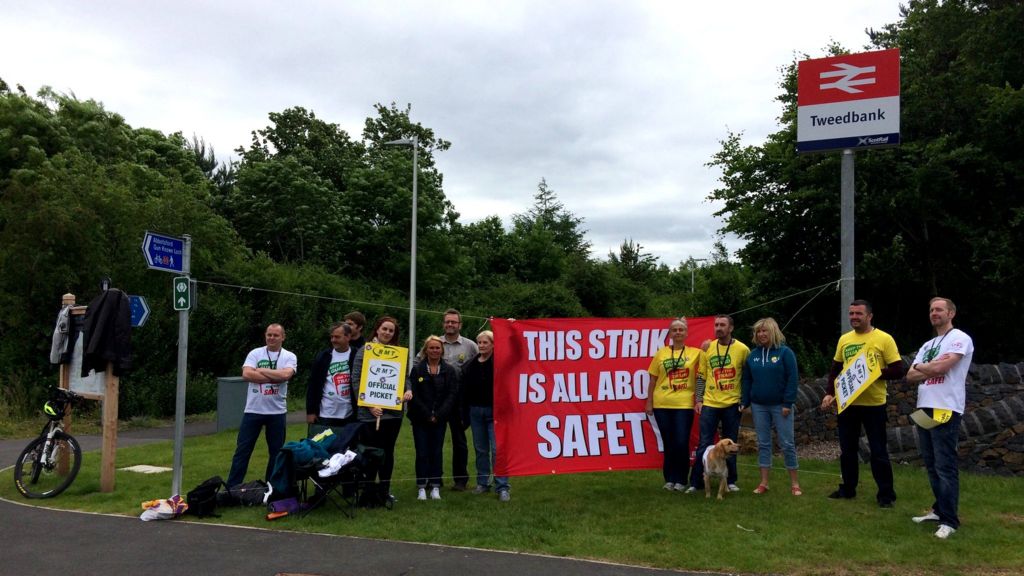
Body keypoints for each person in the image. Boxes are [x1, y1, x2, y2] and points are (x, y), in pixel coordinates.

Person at [821, 299, 906, 507]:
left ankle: (886, 495)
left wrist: (872, 373)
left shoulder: (884, 338)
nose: (854, 317)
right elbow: (835, 369)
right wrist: (829, 393)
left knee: (878, 451)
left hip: (874, 405)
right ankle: (848, 489)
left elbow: (898, 370)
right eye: (851, 313)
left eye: (858, 314)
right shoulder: (844, 339)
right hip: (848, 404)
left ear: (869, 316)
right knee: (847, 450)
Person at [905, 297, 974, 539]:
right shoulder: (928, 344)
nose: (934, 313)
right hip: (924, 407)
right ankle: (938, 510)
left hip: (946, 408)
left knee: (945, 465)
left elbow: (940, 369)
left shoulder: (960, 338)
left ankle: (949, 521)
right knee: (931, 463)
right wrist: (929, 366)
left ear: (951, 313)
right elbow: (910, 376)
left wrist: (926, 367)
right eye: (931, 310)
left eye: (939, 310)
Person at [227, 323, 298, 488]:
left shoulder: (289, 356)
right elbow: (246, 374)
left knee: (276, 452)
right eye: (269, 335)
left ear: (283, 337)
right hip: (253, 410)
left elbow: (286, 375)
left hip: (277, 412)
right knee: (243, 451)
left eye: (276, 335)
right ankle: (232, 487)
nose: (271, 338)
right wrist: (275, 377)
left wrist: (260, 370)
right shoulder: (255, 353)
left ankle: (271, 487)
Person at [352, 315, 412, 504]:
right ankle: (368, 492)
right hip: (369, 414)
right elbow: (356, 380)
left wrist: (408, 390)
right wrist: (369, 405)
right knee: (370, 453)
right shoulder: (365, 350)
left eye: (391, 330)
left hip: (392, 414)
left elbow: (404, 377)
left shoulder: (399, 352)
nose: (387, 332)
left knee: (388, 453)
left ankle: (384, 491)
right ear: (377, 329)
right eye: (384, 329)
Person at [740, 317, 801, 495]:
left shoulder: (785, 353)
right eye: (758, 331)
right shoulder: (753, 355)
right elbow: (747, 379)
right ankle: (764, 482)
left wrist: (788, 402)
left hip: (781, 406)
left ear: (773, 331)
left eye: (764, 330)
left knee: (787, 443)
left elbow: (793, 378)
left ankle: (795, 483)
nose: (761, 334)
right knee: (763, 443)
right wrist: (745, 401)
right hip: (759, 406)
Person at [688, 314, 749, 493]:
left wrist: (744, 400)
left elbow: (747, 377)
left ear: (731, 328)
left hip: (732, 403)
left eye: (723, 325)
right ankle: (696, 482)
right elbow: (701, 376)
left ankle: (730, 480)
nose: (719, 328)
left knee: (731, 444)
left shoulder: (742, 349)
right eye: (716, 325)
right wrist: (699, 399)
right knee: (704, 443)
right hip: (710, 403)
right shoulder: (707, 348)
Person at [646, 317, 705, 492]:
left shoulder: (695, 353)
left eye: (681, 329)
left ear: (686, 333)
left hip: (683, 404)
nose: (678, 332)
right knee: (668, 442)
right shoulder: (661, 353)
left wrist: (708, 344)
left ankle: (681, 479)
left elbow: (708, 358)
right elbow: (653, 379)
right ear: (670, 334)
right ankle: (669, 479)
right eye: (675, 330)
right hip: (661, 403)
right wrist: (649, 402)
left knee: (681, 442)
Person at [406, 335, 459, 500]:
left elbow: (452, 395)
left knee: (436, 451)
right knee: (422, 452)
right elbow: (414, 395)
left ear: (442, 350)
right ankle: (421, 486)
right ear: (425, 350)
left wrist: (438, 415)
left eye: (437, 348)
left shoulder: (449, 370)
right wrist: (427, 414)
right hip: (420, 418)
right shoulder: (417, 370)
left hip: (440, 419)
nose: (434, 350)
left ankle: (435, 486)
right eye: (431, 348)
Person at [464, 330, 511, 501]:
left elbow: (518, 354)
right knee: (481, 449)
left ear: (493, 345)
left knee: (497, 449)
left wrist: (511, 332)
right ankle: (482, 483)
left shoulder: (500, 362)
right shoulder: (470, 364)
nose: (482, 345)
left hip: (496, 412)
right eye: (480, 342)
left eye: (485, 342)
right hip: (476, 411)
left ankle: (503, 486)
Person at [439, 308, 478, 491]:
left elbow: (482, 362)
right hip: (438, 400)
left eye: (453, 322)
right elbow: (417, 363)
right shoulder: (435, 343)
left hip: (460, 401)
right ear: (443, 324)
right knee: (435, 440)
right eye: (447, 321)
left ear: (460, 325)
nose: (450, 324)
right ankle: (434, 479)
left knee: (459, 441)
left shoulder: (470, 346)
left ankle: (461, 480)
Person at [305, 322, 357, 427]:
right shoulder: (323, 356)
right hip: (326, 413)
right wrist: (310, 411)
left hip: (350, 413)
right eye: (332, 337)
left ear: (348, 337)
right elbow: (313, 385)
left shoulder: (357, 355)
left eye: (337, 337)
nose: (333, 340)